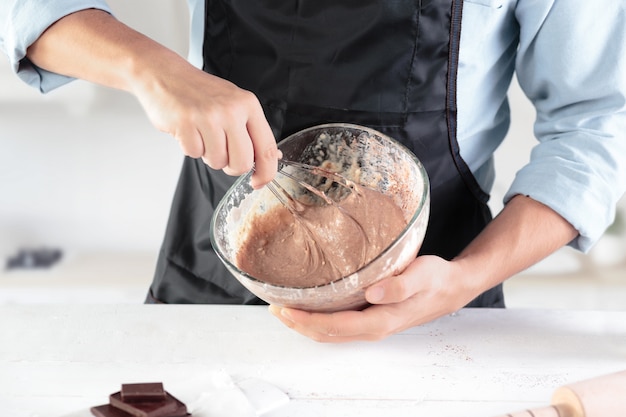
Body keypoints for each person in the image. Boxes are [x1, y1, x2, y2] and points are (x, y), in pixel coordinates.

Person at [2, 1, 625, 343]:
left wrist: (464, 279)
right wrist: (149, 68)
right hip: (210, 297)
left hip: (433, 302)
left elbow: (594, 125)